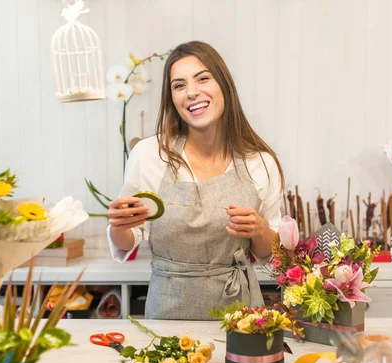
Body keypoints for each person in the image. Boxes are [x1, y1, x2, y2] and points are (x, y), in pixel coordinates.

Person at [107, 41, 285, 320]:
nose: (191, 92)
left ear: (224, 85)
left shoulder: (260, 163)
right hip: (167, 313)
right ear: (172, 100)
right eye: (179, 86)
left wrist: (260, 230)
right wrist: (119, 225)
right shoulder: (149, 155)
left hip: (242, 316)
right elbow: (127, 240)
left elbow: (271, 256)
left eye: (203, 78)